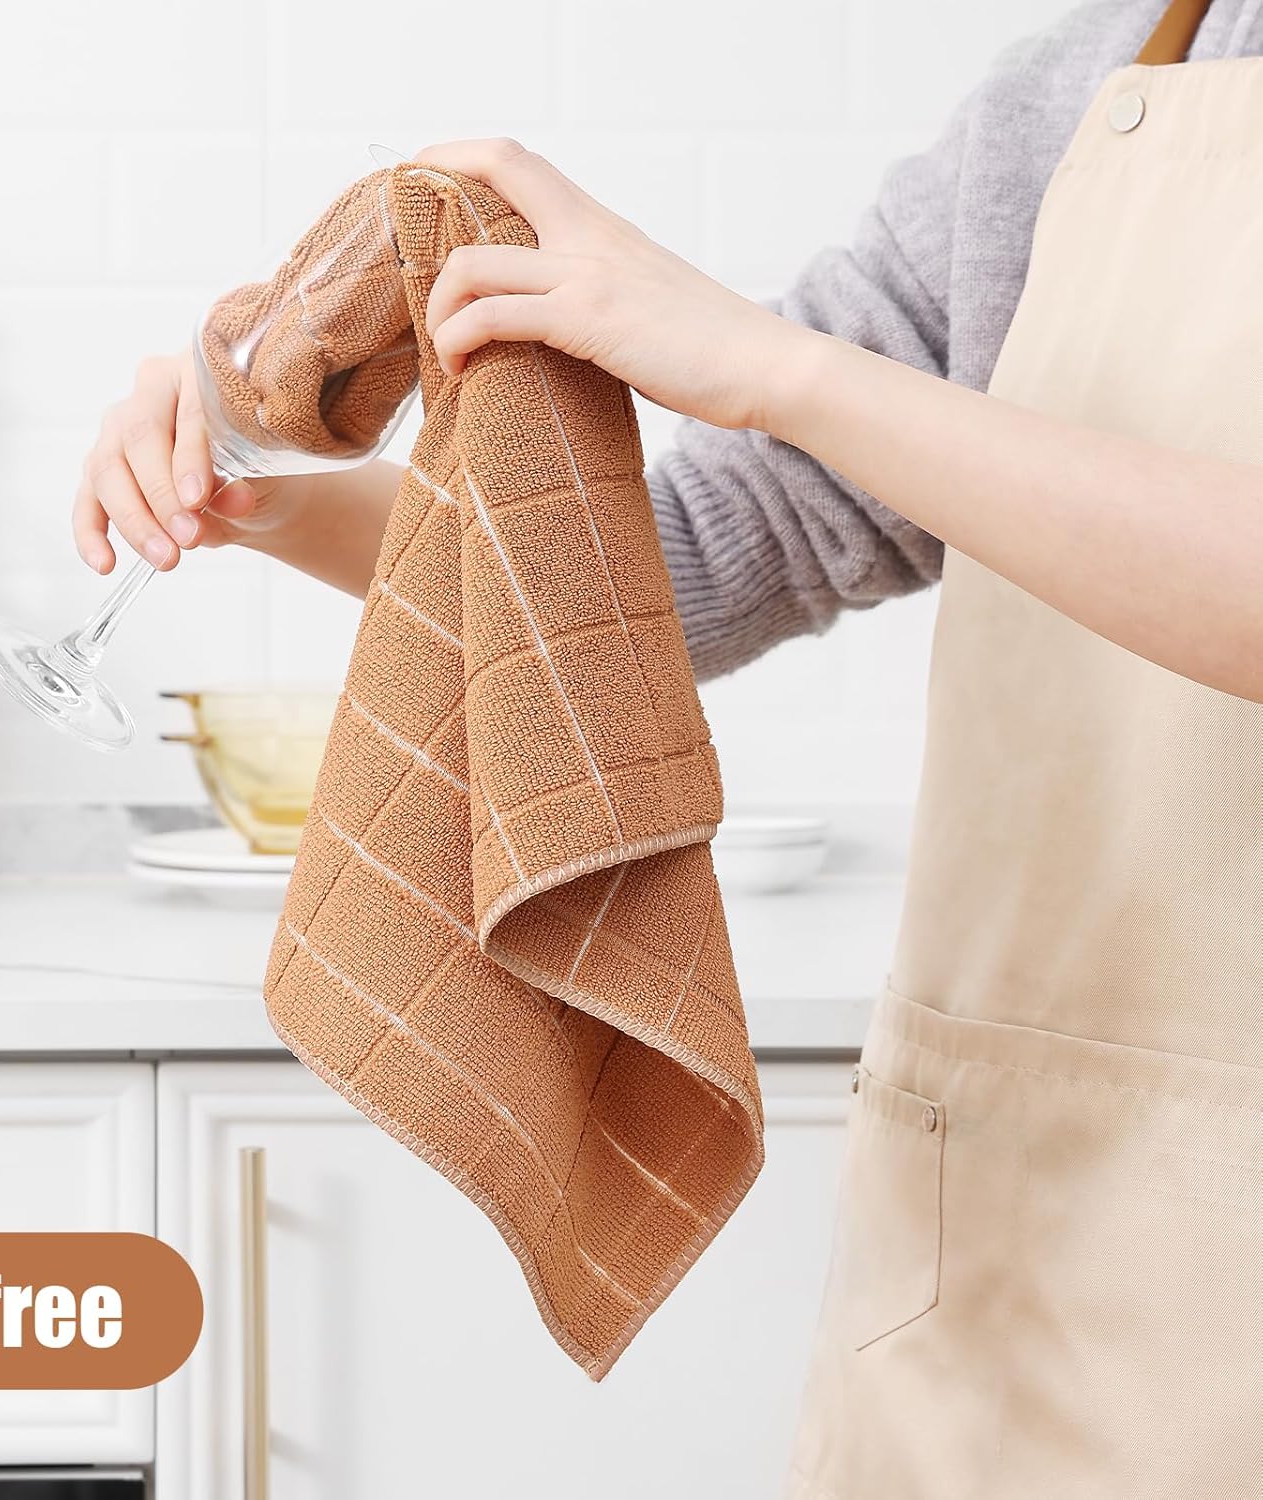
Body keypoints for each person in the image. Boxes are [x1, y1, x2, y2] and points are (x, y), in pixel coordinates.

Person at [74, 0, 1262, 1492]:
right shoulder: (1086, 89)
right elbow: (684, 564)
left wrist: (775, 366)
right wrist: (268, 500)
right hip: (1016, 1237)